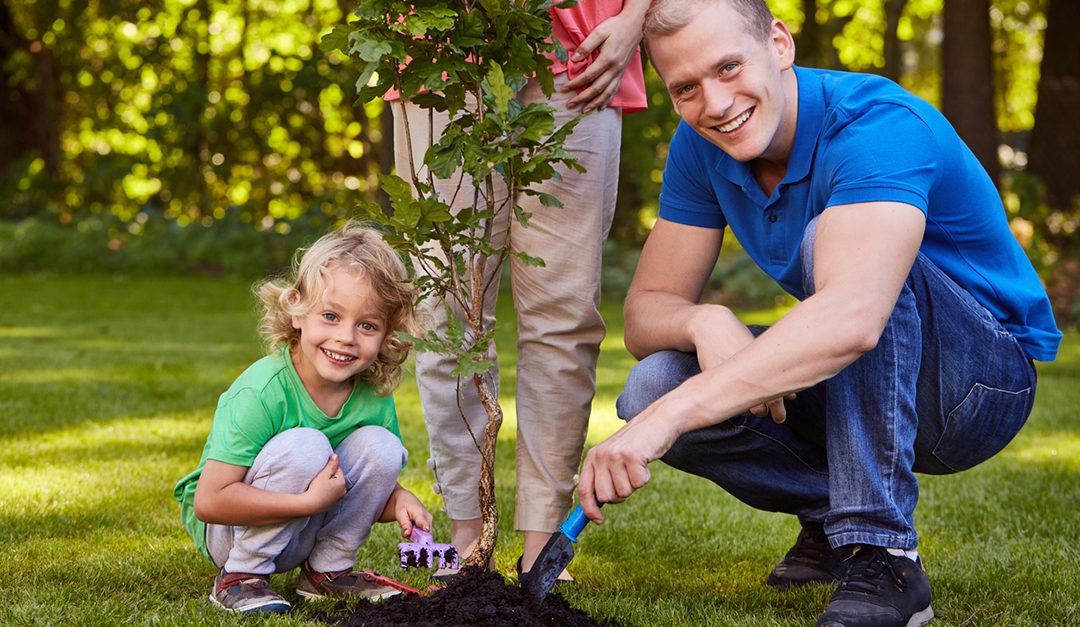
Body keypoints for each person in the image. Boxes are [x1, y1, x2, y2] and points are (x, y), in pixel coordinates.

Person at [576, 1, 1061, 626]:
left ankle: (882, 551)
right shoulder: (701, 149)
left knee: (841, 259)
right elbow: (645, 314)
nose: (716, 104)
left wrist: (667, 422)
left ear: (779, 43)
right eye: (687, 88)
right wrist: (704, 322)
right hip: (872, 372)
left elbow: (854, 316)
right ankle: (836, 522)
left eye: (729, 67)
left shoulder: (875, 123)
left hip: (978, 385)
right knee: (653, 384)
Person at [389, 1, 649, 579]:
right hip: (444, 49)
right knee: (446, 306)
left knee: (562, 313)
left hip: (582, 52)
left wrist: (635, 21)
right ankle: (463, 539)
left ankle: (540, 547)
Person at [173, 222, 433, 615]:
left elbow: (360, 488)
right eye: (330, 315)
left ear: (386, 335)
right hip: (233, 533)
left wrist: (399, 500)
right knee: (306, 445)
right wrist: (305, 502)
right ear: (297, 311)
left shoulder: (372, 397)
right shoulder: (262, 390)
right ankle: (241, 578)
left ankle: (326, 573)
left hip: (303, 527)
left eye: (367, 325)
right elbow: (210, 502)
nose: (346, 337)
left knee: (383, 447)